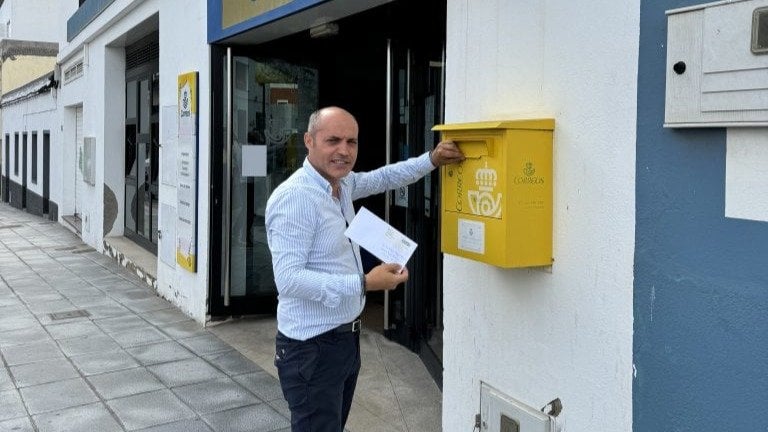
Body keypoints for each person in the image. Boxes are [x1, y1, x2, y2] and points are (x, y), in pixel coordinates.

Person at [265, 106, 464, 431]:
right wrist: (364, 283)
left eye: (351, 142)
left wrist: (432, 159)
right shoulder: (296, 198)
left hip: (343, 340)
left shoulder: (341, 186)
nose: (343, 151)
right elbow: (288, 281)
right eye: (333, 140)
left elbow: (386, 177)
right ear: (309, 141)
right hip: (311, 348)